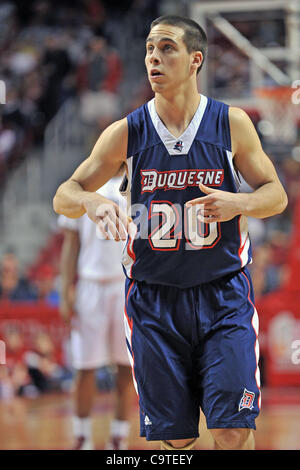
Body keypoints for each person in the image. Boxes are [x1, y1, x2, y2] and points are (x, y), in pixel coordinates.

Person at [53, 15, 288, 451]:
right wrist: (93, 201)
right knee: (176, 441)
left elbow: (276, 195)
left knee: (233, 430)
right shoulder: (126, 132)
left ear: (195, 59)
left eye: (166, 48)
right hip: (153, 302)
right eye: (148, 50)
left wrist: (240, 203)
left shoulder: (230, 124)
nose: (153, 58)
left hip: (223, 296)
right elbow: (64, 194)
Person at [58, 174, 135, 450]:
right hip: (90, 285)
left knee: (126, 366)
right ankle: (82, 436)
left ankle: (119, 435)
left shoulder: (137, 181)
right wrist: (66, 289)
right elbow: (70, 244)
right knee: (84, 366)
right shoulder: (82, 186)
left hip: (125, 283)